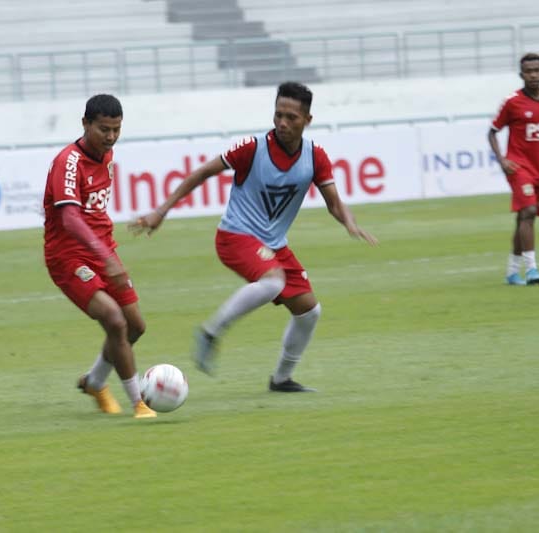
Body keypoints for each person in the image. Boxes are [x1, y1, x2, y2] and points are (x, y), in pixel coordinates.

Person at [130, 82, 377, 392]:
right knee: (274, 281)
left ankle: (281, 379)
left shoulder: (315, 157)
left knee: (309, 312)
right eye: (278, 115)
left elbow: (334, 204)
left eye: (292, 117)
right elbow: (203, 172)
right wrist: (161, 211)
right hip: (236, 236)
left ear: (308, 120)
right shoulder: (253, 148)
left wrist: (349, 223)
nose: (283, 123)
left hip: (274, 245)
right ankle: (210, 333)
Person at [43, 94, 156, 418]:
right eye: (103, 129)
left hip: (103, 251)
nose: (110, 137)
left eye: (116, 129)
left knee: (135, 326)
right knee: (115, 320)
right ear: (85, 124)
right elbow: (70, 218)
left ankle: (94, 381)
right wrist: (104, 257)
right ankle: (139, 402)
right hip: (69, 258)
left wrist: (107, 254)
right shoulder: (68, 162)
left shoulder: (107, 155)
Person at [488, 52, 539, 286]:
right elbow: (492, 132)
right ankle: (532, 269)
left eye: (537, 70)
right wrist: (502, 160)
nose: (533, 75)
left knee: (523, 218)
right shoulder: (512, 102)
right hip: (519, 167)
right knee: (529, 211)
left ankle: (512, 272)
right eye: (529, 71)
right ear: (521, 74)